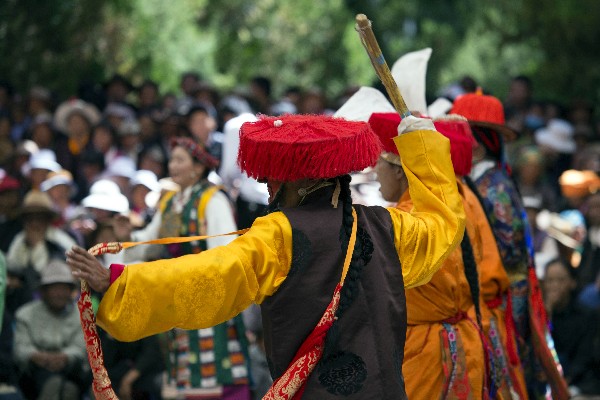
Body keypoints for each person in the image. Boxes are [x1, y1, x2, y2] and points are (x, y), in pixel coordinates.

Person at [67, 114, 466, 399]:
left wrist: (119, 284)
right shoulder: (387, 224)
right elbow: (442, 226)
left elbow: (209, 276)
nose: (269, 189)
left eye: (273, 179)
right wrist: (424, 150)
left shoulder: (279, 233)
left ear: (298, 180)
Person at [370, 112, 527, 399]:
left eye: (378, 162)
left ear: (399, 169)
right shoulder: (457, 198)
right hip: (462, 336)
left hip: (428, 350)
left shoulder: (409, 219)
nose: (373, 172)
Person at [110, 136, 250, 399]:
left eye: (179, 160)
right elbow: (152, 243)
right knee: (188, 369)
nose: (172, 165)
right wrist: (128, 236)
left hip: (212, 296)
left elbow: (227, 251)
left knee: (215, 365)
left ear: (198, 167)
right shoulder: (172, 203)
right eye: (171, 160)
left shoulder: (212, 199)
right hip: (180, 297)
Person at [451, 92, 569, 399]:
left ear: (477, 141)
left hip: (501, 298)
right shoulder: (477, 180)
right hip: (490, 292)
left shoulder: (494, 187)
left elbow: (510, 254)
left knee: (504, 371)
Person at [13, 259, 88, 400]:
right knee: (52, 385)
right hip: (36, 371)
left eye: (64, 288)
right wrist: (38, 356)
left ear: (71, 291)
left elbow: (81, 347)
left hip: (71, 370)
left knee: (69, 389)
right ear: (43, 291)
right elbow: (20, 347)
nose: (59, 293)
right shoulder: (25, 314)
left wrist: (65, 357)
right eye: (54, 288)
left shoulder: (82, 315)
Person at [542, 259, 600, 398]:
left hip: (580, 382)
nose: (554, 286)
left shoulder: (587, 315)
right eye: (550, 280)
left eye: (560, 280)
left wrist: (565, 381)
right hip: (547, 379)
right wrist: (547, 315)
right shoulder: (539, 316)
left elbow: (584, 356)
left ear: (572, 282)